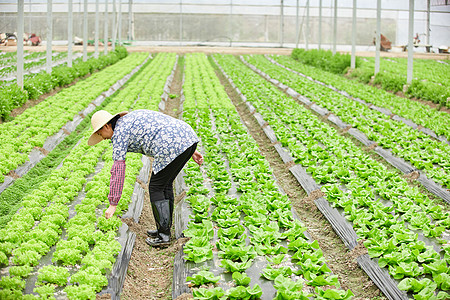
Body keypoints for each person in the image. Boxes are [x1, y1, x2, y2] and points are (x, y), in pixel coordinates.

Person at [88, 109, 203, 247]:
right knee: (164, 184)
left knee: (156, 187)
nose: (103, 138)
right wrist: (190, 148)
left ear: (107, 126)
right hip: (186, 136)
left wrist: (113, 204)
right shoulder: (129, 119)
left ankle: (164, 236)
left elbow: (118, 170)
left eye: (101, 134)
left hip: (171, 145)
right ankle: (164, 229)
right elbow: (165, 125)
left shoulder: (118, 133)